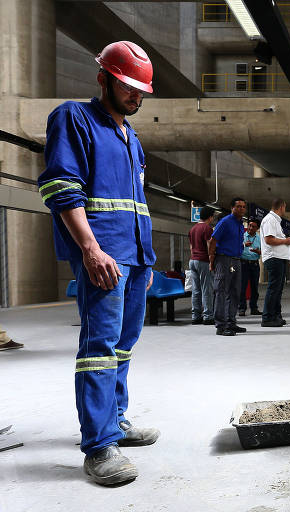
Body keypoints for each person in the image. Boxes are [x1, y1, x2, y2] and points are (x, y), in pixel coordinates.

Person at [37, 41, 159, 486]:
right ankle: (98, 445)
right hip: (103, 257)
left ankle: (116, 421)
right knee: (99, 351)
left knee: (123, 348)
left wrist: (147, 261)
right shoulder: (74, 118)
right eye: (128, 86)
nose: (136, 96)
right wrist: (90, 249)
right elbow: (60, 188)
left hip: (135, 259)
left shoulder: (131, 138)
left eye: (141, 89)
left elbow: (137, 203)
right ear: (103, 78)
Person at [208, 198, 247, 336]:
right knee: (221, 291)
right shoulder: (225, 222)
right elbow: (213, 241)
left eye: (243, 207)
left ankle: (231, 322)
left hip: (237, 260)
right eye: (238, 206)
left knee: (235, 292)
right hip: (224, 259)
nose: (241, 209)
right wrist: (211, 259)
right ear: (232, 208)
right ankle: (221, 325)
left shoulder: (240, 224)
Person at [260, 198, 290, 327]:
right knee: (273, 289)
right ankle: (267, 318)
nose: (285, 210)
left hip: (278, 258)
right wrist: (286, 241)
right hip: (274, 258)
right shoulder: (270, 220)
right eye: (285, 207)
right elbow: (269, 240)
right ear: (281, 207)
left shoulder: (275, 220)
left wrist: (286, 240)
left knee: (277, 289)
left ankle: (275, 316)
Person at [188, 206, 215, 325]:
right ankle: (208, 316)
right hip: (203, 261)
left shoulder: (192, 229)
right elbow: (210, 245)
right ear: (210, 217)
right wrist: (211, 261)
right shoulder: (207, 228)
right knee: (206, 289)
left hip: (193, 260)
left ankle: (195, 316)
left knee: (196, 290)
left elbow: (191, 247)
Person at [239, 219, 262, 316]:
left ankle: (254, 308)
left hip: (255, 264)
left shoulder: (259, 238)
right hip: (243, 263)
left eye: (254, 226)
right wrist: (244, 245)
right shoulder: (241, 236)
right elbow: (236, 248)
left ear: (257, 228)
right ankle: (242, 308)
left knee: (254, 287)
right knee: (242, 287)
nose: (251, 228)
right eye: (250, 225)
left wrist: (258, 252)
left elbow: (263, 252)